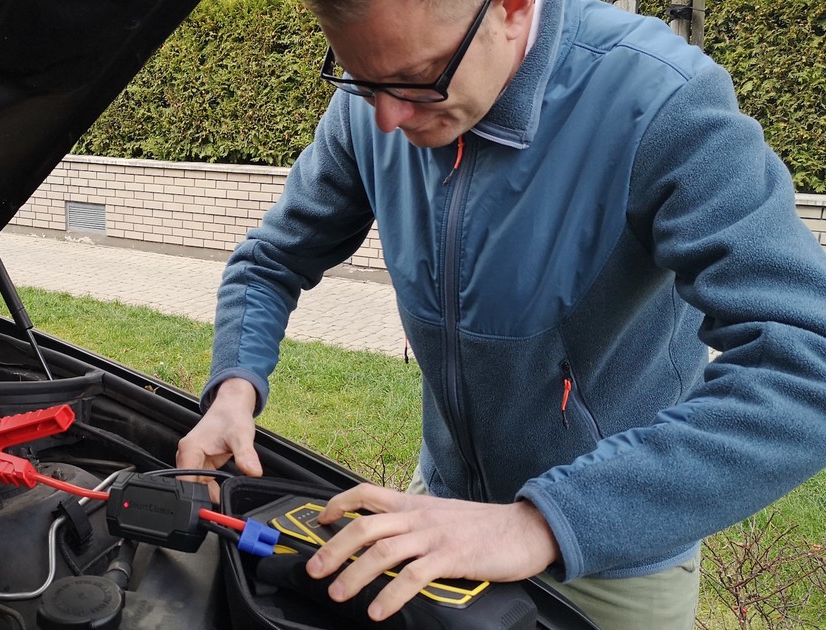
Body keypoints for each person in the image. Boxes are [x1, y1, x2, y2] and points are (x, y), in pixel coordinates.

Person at [174, 0, 826, 627]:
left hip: (612, 553)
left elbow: (805, 367)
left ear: (511, 8)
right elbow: (271, 260)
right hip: (439, 514)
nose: (387, 120)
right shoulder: (371, 102)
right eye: (361, 79)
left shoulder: (659, 99)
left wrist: (540, 521)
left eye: (417, 79)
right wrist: (234, 385)